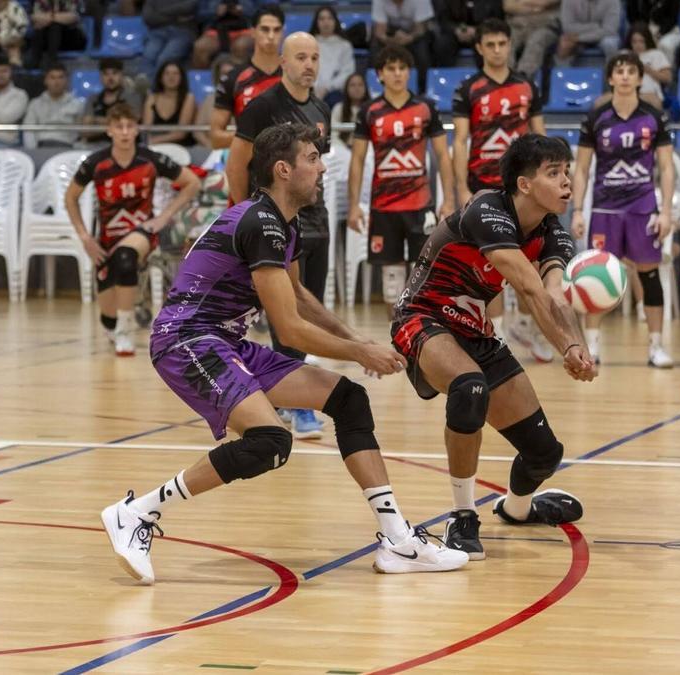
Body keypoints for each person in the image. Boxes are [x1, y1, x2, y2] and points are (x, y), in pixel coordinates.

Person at [101, 122, 471, 585]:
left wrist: (358, 340)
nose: (321, 168)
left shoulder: (283, 223)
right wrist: (359, 351)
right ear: (283, 169)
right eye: (312, 159)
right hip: (187, 339)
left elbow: (296, 296)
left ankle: (396, 538)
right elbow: (289, 327)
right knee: (270, 442)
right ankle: (136, 513)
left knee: (348, 399)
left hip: (225, 341)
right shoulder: (260, 223)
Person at [391, 134, 593, 560]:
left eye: (567, 172)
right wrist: (564, 349)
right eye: (553, 173)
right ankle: (463, 517)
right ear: (523, 184)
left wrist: (577, 345)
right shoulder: (488, 210)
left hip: (473, 329)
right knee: (470, 387)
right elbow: (529, 288)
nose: (566, 182)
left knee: (544, 453)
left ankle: (517, 510)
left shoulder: (552, 233)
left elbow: (555, 294)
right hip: (422, 316)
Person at [229, 32, 331, 438]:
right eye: (300, 57)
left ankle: (285, 395)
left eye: (315, 57)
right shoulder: (262, 107)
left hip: (314, 218)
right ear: (283, 63)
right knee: (283, 307)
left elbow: (318, 166)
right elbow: (237, 164)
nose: (308, 64)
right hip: (273, 218)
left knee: (309, 304)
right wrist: (243, 213)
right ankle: (293, 400)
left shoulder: (322, 107)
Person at [64, 104, 201, 356]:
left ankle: (126, 332)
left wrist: (164, 216)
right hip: (107, 239)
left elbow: (192, 183)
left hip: (142, 232)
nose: (125, 132)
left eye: (130, 126)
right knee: (108, 319)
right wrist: (85, 237)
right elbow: (70, 197)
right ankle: (116, 325)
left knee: (125, 260)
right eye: (119, 127)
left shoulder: (150, 159)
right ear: (109, 130)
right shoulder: (96, 163)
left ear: (137, 129)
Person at [451, 18, 550, 362]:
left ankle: (525, 323)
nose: (496, 50)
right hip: (483, 187)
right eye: (489, 44)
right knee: (488, 265)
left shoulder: (526, 86)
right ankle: (498, 333)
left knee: (531, 260)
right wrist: (461, 187)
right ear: (479, 47)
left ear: (509, 45)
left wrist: (544, 185)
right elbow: (460, 140)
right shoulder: (468, 89)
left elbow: (541, 139)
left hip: (522, 190)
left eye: (501, 44)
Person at [570, 52, 675, 368]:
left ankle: (656, 346)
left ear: (641, 79)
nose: (626, 76)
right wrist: (577, 210)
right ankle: (593, 346)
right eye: (620, 71)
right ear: (611, 79)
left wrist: (666, 211)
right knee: (595, 275)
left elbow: (667, 168)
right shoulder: (596, 117)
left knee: (650, 274)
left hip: (643, 207)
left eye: (632, 71)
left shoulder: (654, 117)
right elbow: (582, 168)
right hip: (605, 208)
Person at [347, 46, 455, 307]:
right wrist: (353, 207)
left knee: (424, 279)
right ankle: (396, 342)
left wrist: (449, 200)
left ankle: (421, 340)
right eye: (391, 69)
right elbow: (358, 159)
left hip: (420, 207)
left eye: (402, 68)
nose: (397, 74)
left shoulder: (426, 108)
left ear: (409, 73)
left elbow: (442, 155)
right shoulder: (369, 111)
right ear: (380, 74)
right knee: (392, 285)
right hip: (384, 209)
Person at [210, 4, 285, 149]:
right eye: (264, 29)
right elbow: (215, 138)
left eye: (276, 30)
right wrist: (258, 137)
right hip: (248, 165)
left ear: (283, 32)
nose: (271, 36)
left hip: (289, 165)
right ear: (252, 32)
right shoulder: (232, 79)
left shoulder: (294, 76)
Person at [371, 0, 435, 91]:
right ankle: (377, 86)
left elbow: (421, 28)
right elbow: (380, 31)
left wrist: (409, 38)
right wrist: (391, 41)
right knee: (375, 47)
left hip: (415, 34)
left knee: (423, 49)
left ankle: (423, 88)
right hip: (392, 34)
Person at [23, 61, 86, 147]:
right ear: (45, 80)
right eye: (52, 78)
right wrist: (33, 151)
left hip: (68, 147)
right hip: (41, 146)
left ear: (66, 80)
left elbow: (81, 133)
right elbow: (28, 130)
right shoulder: (35, 103)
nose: (57, 82)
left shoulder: (77, 104)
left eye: (60, 77)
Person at [84, 58, 143, 142]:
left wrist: (96, 120)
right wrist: (115, 123)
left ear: (121, 75)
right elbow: (85, 130)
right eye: (106, 74)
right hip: (95, 147)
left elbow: (130, 124)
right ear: (100, 77)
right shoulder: (93, 99)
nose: (110, 78)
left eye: (115, 73)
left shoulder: (132, 97)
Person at [140, 0, 199, 79]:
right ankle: (147, 89)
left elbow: (189, 7)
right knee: (148, 56)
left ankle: (158, 88)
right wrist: (175, 17)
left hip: (182, 32)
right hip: (157, 32)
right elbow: (148, 17)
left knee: (164, 59)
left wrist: (160, 12)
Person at [143, 61, 197, 146]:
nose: (171, 77)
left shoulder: (188, 98)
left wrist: (155, 141)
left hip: (181, 146)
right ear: (160, 78)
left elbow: (181, 133)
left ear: (181, 78)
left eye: (176, 74)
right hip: (154, 145)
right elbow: (147, 128)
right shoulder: (152, 97)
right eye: (166, 73)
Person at [505, 0, 561, 79]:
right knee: (505, 39)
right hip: (517, 26)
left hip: (545, 26)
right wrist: (535, 9)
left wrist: (521, 2)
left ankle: (523, 77)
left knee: (536, 40)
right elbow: (508, 6)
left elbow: (544, 3)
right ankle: (504, 76)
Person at [191, 0, 254, 69]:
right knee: (200, 47)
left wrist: (242, 11)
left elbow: (260, 10)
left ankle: (239, 76)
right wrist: (215, 12)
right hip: (215, 31)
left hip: (244, 31)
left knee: (241, 46)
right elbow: (199, 15)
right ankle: (203, 78)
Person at [556, 0, 621, 65]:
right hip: (577, 35)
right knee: (565, 44)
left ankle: (611, 72)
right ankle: (563, 73)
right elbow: (568, 28)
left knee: (610, 44)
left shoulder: (613, 1)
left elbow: (609, 30)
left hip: (602, 36)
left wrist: (580, 38)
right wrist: (596, 26)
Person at [311, 5, 356, 100]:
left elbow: (347, 72)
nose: (326, 22)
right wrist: (314, 87)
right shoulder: (309, 43)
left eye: (330, 18)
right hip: (310, 88)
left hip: (336, 91)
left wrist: (327, 88)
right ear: (316, 22)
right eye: (322, 19)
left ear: (335, 21)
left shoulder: (345, 45)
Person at [28, 0, 89, 67]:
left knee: (55, 26)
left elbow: (73, 17)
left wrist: (50, 18)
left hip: (72, 38)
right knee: (39, 29)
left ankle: (51, 62)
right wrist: (58, 18)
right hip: (48, 38)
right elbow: (34, 17)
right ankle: (35, 63)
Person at [194, 54, 236, 147]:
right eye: (224, 74)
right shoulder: (209, 99)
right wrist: (209, 146)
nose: (228, 77)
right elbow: (197, 130)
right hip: (210, 148)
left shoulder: (245, 98)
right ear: (218, 76)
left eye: (231, 73)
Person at [626, 22, 671, 107]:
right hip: (625, 93)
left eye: (641, 41)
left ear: (647, 40)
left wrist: (649, 70)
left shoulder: (656, 54)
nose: (637, 45)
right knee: (600, 102)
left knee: (653, 102)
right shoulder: (624, 54)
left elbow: (667, 78)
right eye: (634, 42)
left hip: (649, 93)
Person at [624, 0, 680, 65]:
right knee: (635, 45)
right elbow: (633, 18)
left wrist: (659, 34)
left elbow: (672, 19)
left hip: (669, 31)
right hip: (645, 29)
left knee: (665, 45)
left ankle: (666, 72)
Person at [332, 72, 369, 147]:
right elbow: (333, 135)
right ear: (346, 89)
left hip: (367, 150)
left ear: (365, 88)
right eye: (352, 85)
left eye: (360, 85)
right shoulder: (338, 108)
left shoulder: (371, 109)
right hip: (342, 149)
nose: (357, 88)